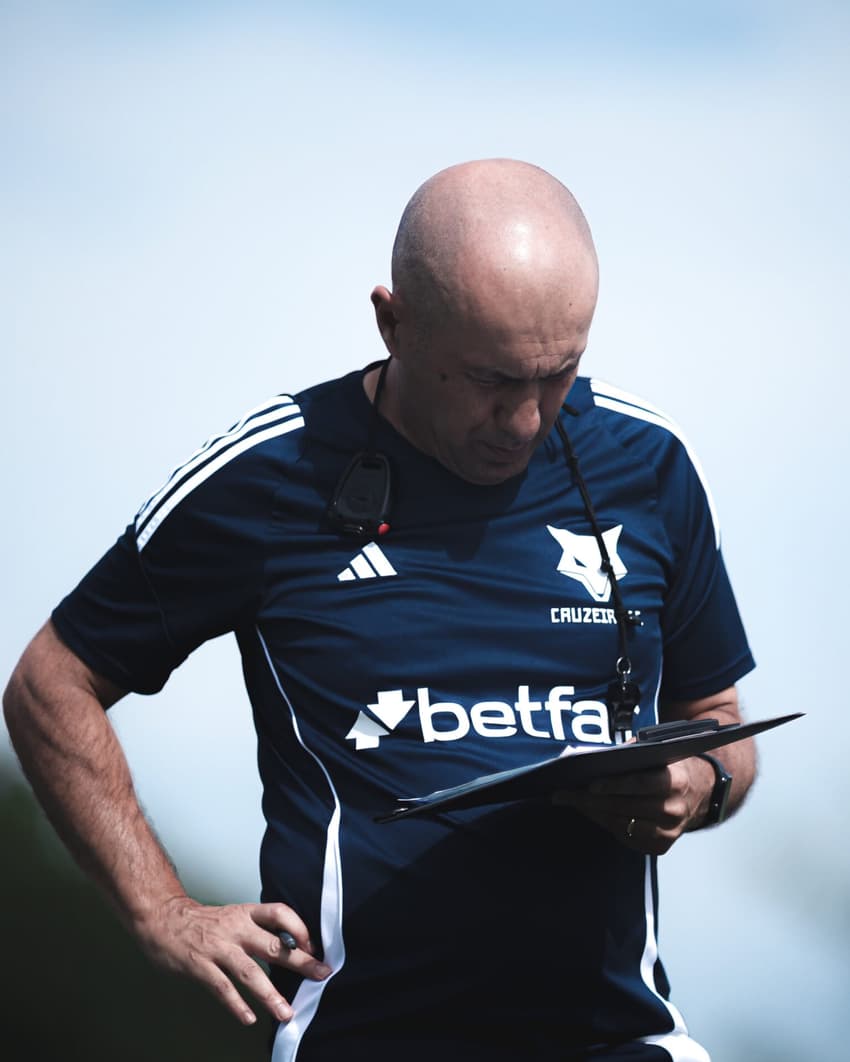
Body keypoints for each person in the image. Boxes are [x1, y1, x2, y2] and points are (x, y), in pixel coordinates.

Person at [3, 158, 756, 1062]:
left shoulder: (652, 462)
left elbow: (720, 731)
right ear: (392, 321)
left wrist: (694, 788)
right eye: (489, 380)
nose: (524, 420)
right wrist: (159, 910)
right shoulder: (270, 474)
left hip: (623, 1042)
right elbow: (51, 683)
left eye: (558, 374)